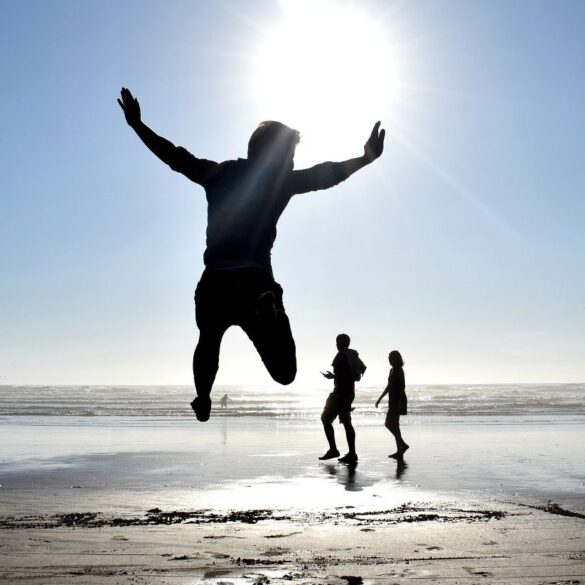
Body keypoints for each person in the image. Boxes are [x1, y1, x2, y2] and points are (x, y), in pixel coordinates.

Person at [118, 87, 385, 422]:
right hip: (255, 281)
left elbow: (174, 156)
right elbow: (325, 175)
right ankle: (269, 311)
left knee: (208, 341)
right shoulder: (281, 182)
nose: (291, 162)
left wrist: (137, 126)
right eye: (288, 155)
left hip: (215, 279)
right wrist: (366, 159)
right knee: (285, 373)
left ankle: (202, 397)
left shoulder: (218, 173)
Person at [319, 333, 366, 464]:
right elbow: (353, 375)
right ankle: (352, 453)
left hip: (340, 393)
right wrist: (334, 377)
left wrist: (334, 378)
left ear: (338, 343)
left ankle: (334, 450)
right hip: (349, 392)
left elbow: (342, 375)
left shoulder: (340, 356)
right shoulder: (352, 355)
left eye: (337, 342)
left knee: (325, 419)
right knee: (346, 422)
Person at [375, 350, 409, 458]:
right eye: (388, 358)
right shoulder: (391, 370)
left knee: (389, 424)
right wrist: (380, 398)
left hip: (397, 400)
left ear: (395, 359)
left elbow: (402, 386)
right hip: (393, 400)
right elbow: (388, 386)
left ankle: (402, 445)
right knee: (394, 425)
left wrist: (398, 401)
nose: (389, 359)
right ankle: (400, 450)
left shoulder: (399, 370)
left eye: (390, 358)